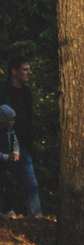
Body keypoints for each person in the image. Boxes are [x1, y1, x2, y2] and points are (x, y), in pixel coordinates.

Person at [0, 56, 38, 217]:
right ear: (14, 71)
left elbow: (28, 121)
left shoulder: (26, 93)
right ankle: (8, 213)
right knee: (5, 182)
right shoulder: (2, 90)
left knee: (31, 184)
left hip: (21, 146)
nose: (29, 72)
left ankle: (37, 218)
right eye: (25, 69)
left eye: (29, 69)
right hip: (1, 144)